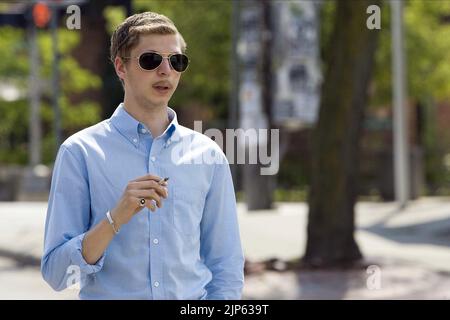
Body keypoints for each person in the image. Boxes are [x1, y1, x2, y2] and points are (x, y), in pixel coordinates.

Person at [41, 11, 245, 300]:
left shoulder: (208, 155)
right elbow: (56, 274)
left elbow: (226, 265)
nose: (166, 71)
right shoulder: (80, 152)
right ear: (121, 68)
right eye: (150, 60)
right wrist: (115, 218)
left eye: (176, 61)